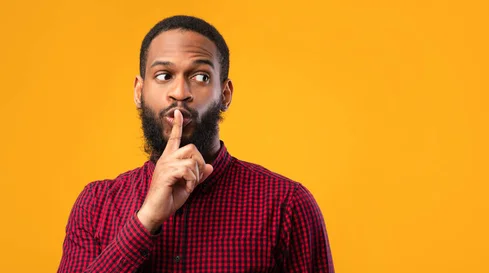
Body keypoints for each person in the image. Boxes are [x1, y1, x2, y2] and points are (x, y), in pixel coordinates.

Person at [58, 15, 334, 273]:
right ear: (139, 92)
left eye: (200, 77)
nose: (180, 93)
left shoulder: (287, 205)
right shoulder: (95, 206)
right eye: (164, 76)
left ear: (224, 94)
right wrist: (146, 220)